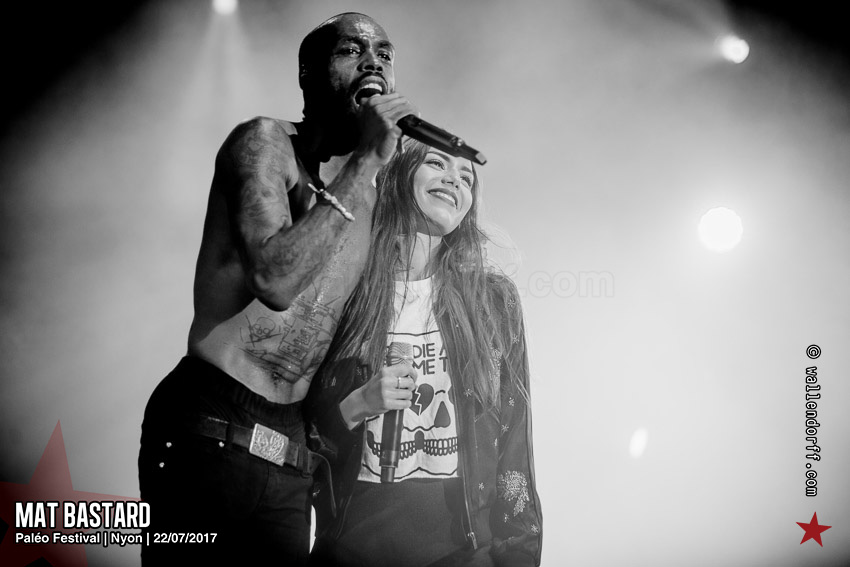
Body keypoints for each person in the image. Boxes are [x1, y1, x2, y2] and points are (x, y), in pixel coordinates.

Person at [138, 12, 417, 566]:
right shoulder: (265, 143)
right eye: (352, 51)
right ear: (308, 72)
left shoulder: (370, 191)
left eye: (384, 54)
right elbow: (274, 280)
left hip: (291, 445)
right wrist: (366, 160)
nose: (374, 64)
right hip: (211, 423)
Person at [305, 139, 542, 567]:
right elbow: (303, 430)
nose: (455, 179)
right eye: (437, 163)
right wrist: (359, 404)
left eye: (466, 177)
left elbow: (514, 441)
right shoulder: (346, 289)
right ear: (398, 176)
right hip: (353, 543)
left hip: (463, 551)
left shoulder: (491, 300)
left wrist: (517, 556)